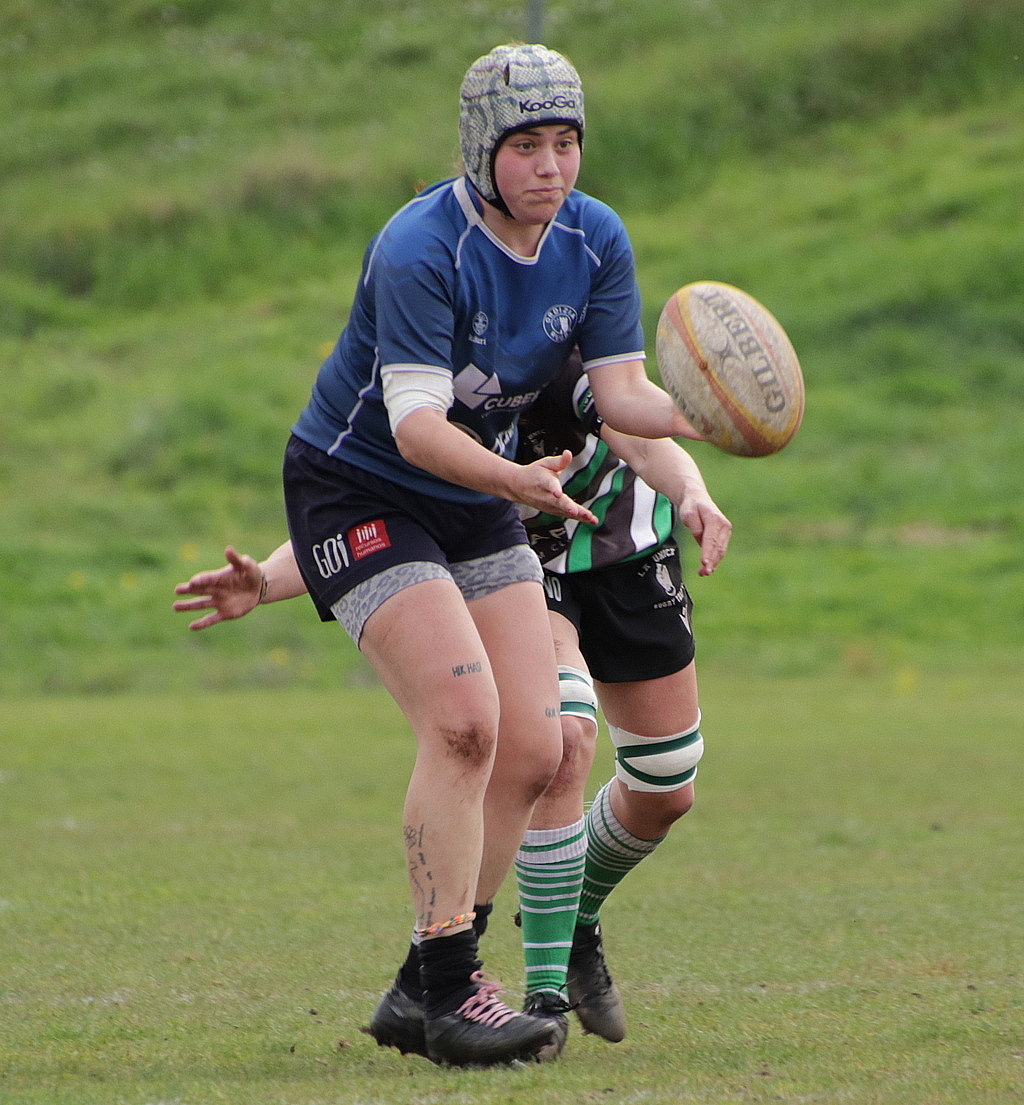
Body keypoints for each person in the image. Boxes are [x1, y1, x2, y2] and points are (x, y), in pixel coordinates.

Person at [174, 42, 697, 1068]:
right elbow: (415, 426)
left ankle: (423, 987)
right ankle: (452, 982)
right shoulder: (422, 245)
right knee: (464, 724)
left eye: (566, 143)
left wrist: (709, 419)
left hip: (472, 497)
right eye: (528, 145)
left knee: (540, 745)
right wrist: (520, 484)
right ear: (481, 148)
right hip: (359, 488)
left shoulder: (593, 239)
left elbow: (624, 393)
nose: (551, 167)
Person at [175, 352, 730, 1057]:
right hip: (518, 550)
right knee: (560, 733)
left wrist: (692, 490)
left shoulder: (550, 348)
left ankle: (576, 914)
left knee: (666, 782)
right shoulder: (429, 385)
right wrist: (269, 580)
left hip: (627, 543)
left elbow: (635, 426)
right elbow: (392, 501)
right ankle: (543, 1000)